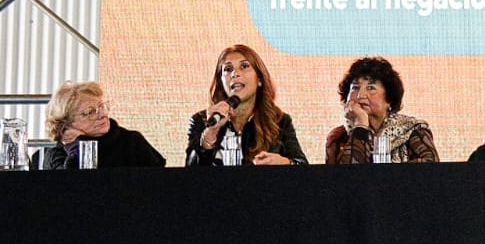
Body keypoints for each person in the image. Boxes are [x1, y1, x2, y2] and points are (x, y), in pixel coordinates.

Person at [186, 44, 306, 165]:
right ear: (221, 81)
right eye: (227, 69)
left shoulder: (279, 121)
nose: (235, 74)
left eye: (244, 66)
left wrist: (285, 163)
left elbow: (303, 166)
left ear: (259, 79)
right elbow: (188, 176)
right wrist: (210, 133)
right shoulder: (202, 120)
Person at [324, 56, 438, 163]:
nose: (360, 95)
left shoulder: (413, 130)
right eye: (355, 87)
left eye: (371, 88)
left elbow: (430, 171)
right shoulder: (338, 137)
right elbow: (345, 178)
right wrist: (361, 126)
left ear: (389, 99)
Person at [34, 81, 165, 169]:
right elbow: (67, 191)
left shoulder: (131, 142)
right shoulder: (54, 154)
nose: (102, 114)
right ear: (66, 123)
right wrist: (79, 145)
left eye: (102, 107)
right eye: (91, 112)